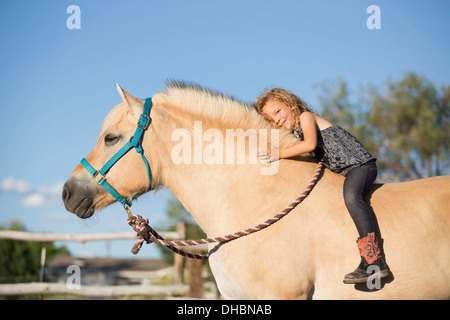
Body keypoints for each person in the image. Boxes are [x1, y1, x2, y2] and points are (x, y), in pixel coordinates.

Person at [254, 88, 389, 284]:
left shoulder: (307, 117)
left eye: (278, 112)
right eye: (271, 119)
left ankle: (374, 261)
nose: (277, 120)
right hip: (343, 173)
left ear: (291, 105)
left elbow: (309, 145)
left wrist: (279, 153)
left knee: (352, 197)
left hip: (359, 165)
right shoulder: (295, 135)